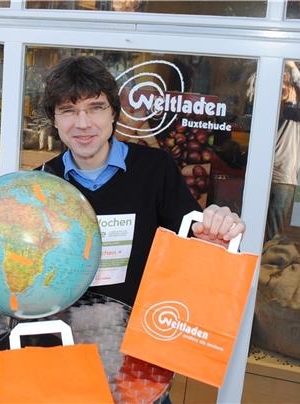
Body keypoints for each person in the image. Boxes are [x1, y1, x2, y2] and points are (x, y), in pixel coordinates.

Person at [39, 56, 245, 307]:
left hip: (139, 332)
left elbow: (192, 243)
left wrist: (215, 235)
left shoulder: (156, 169)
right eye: (68, 110)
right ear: (54, 119)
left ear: (113, 112)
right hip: (62, 332)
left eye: (96, 107)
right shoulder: (38, 185)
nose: (83, 124)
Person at [265, 60, 300, 240]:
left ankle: (264, 263)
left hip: (284, 178)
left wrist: (291, 66)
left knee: (273, 228)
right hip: (269, 173)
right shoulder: (275, 108)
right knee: (259, 224)